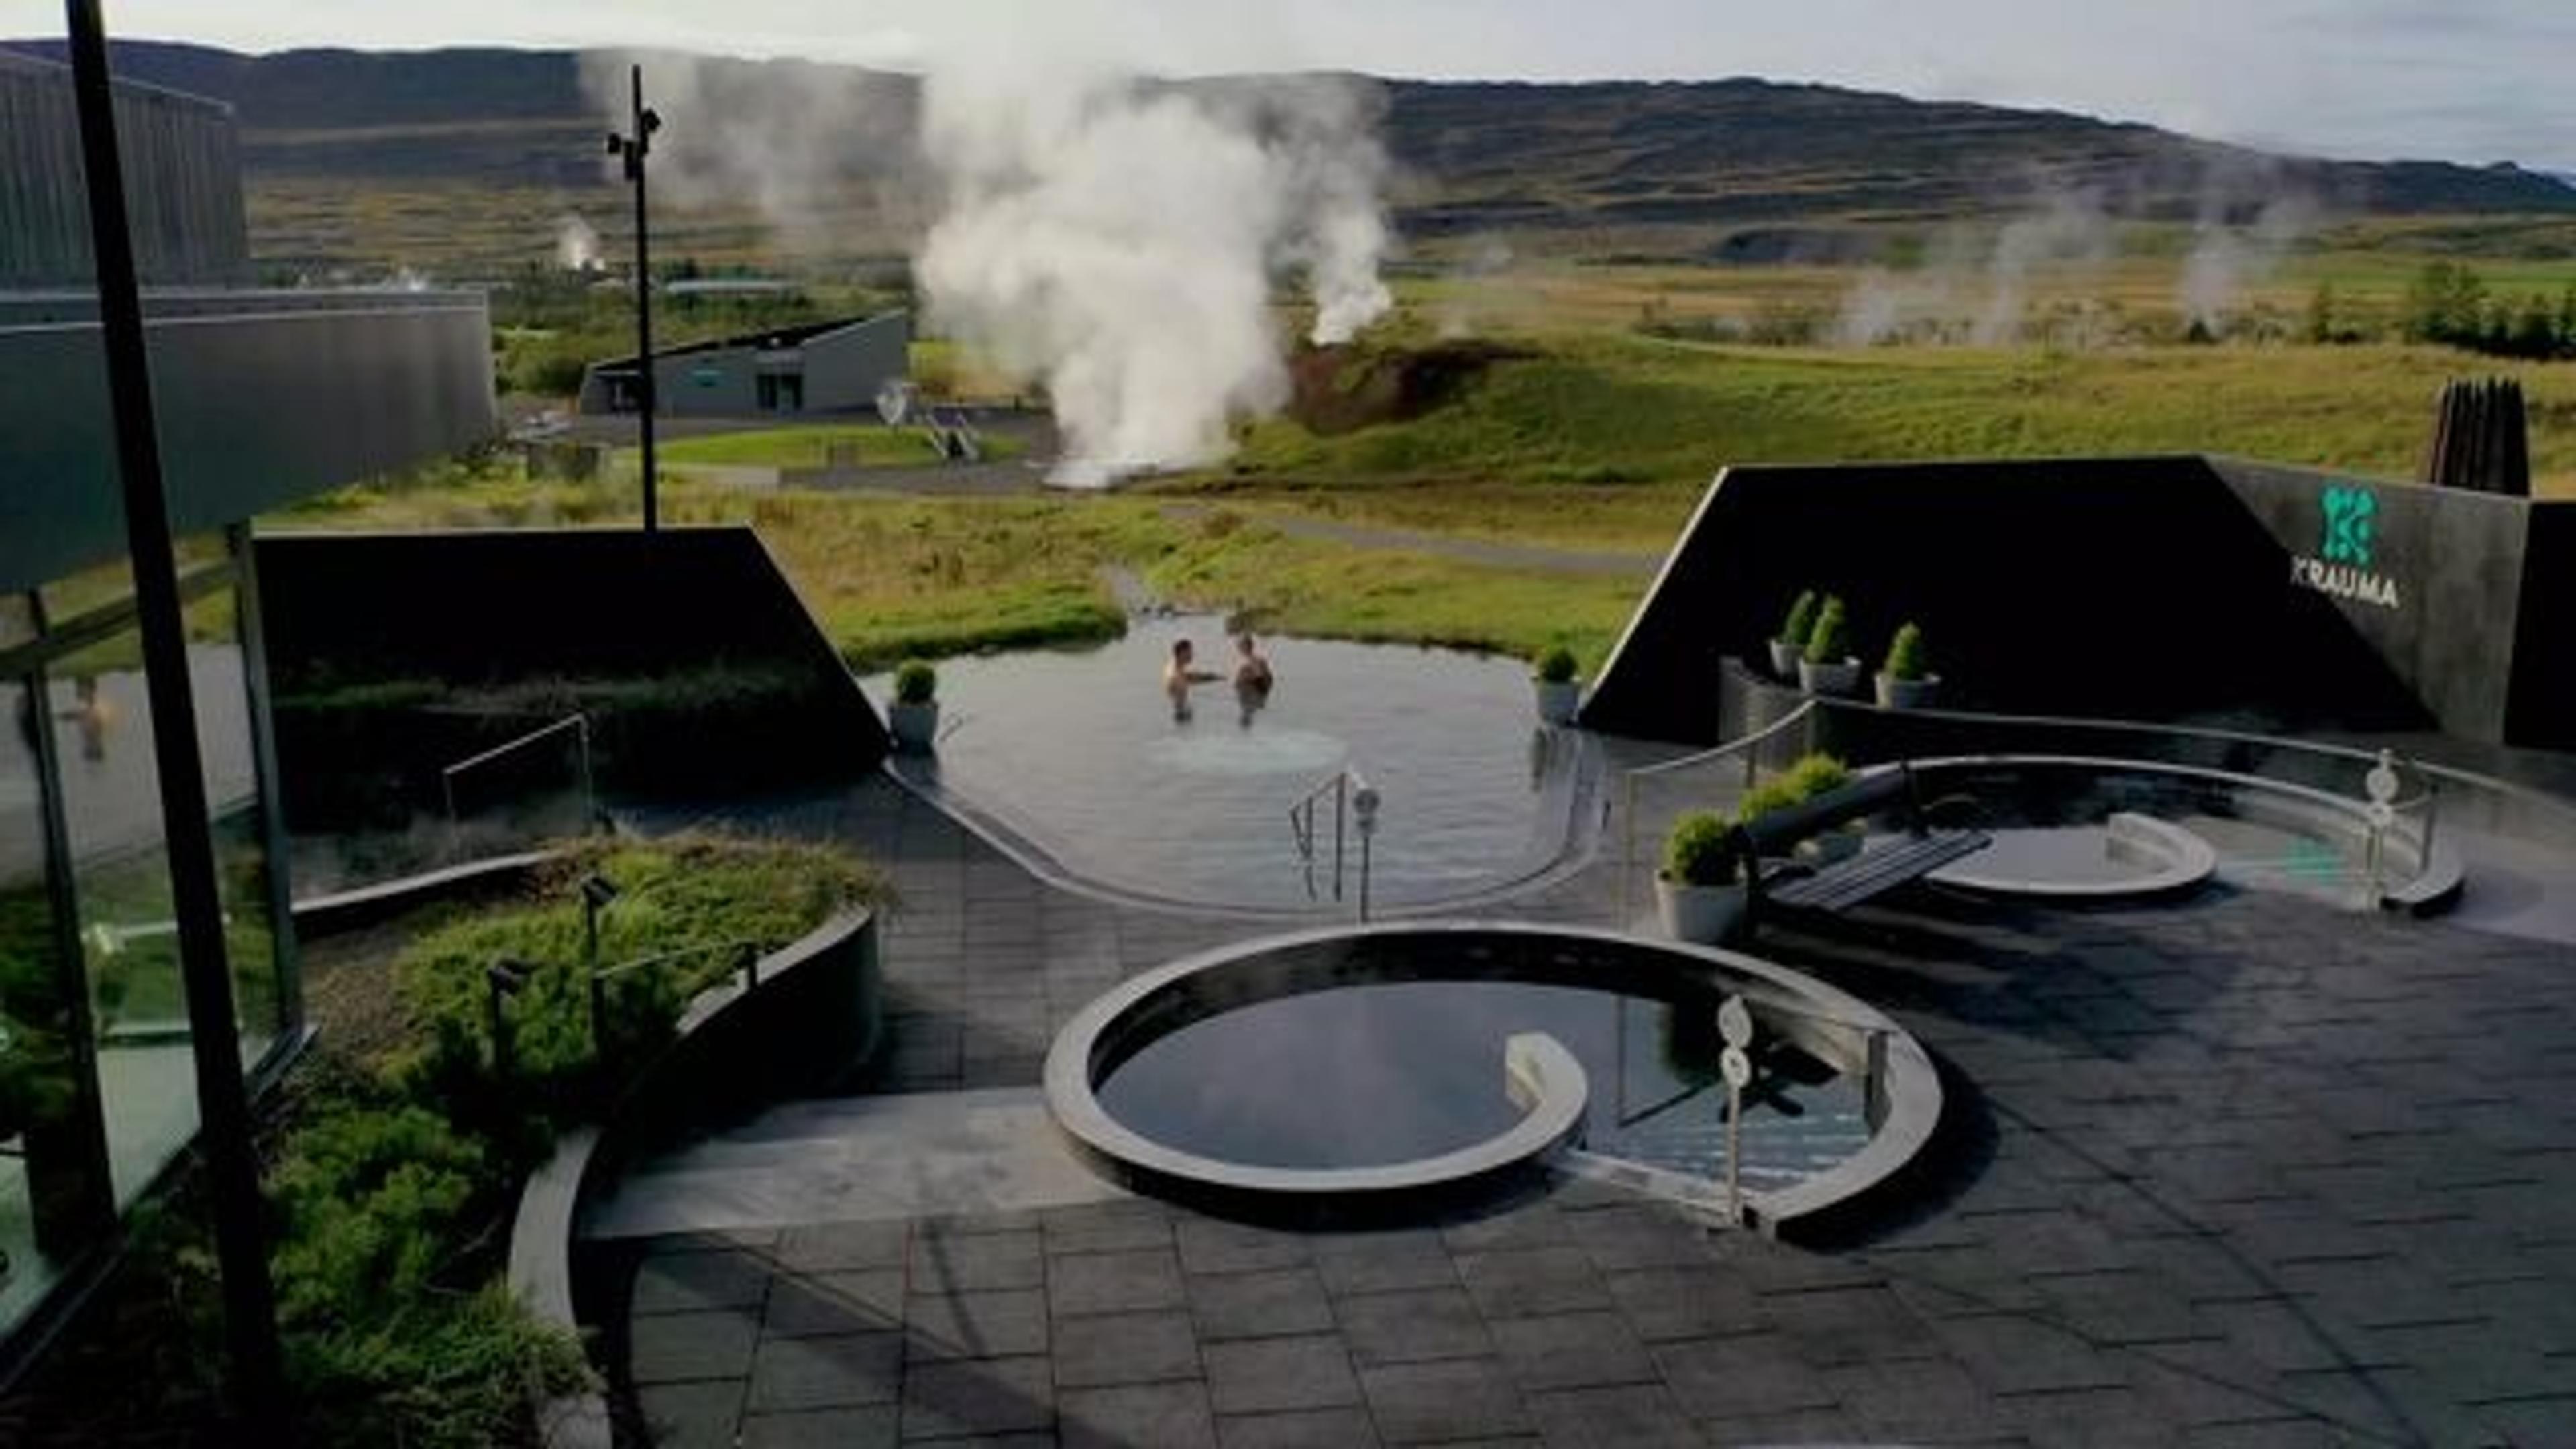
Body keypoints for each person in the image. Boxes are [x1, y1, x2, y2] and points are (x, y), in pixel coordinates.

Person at [1163, 638, 1220, 721]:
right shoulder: (1176, 675)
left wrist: (1214, 677)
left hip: (1180, 714)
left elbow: (1192, 677)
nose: (1192, 656)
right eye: (1190, 652)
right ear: (1182, 653)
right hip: (1181, 716)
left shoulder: (1174, 668)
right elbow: (1179, 700)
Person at [1232, 633, 1274, 727]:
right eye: (1239, 646)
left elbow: (1263, 678)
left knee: (1248, 707)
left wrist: (1246, 680)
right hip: (1252, 695)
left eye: (1241, 645)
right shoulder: (1249, 660)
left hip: (1253, 694)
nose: (1239, 648)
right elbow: (1268, 679)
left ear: (1247, 646)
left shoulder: (1255, 661)